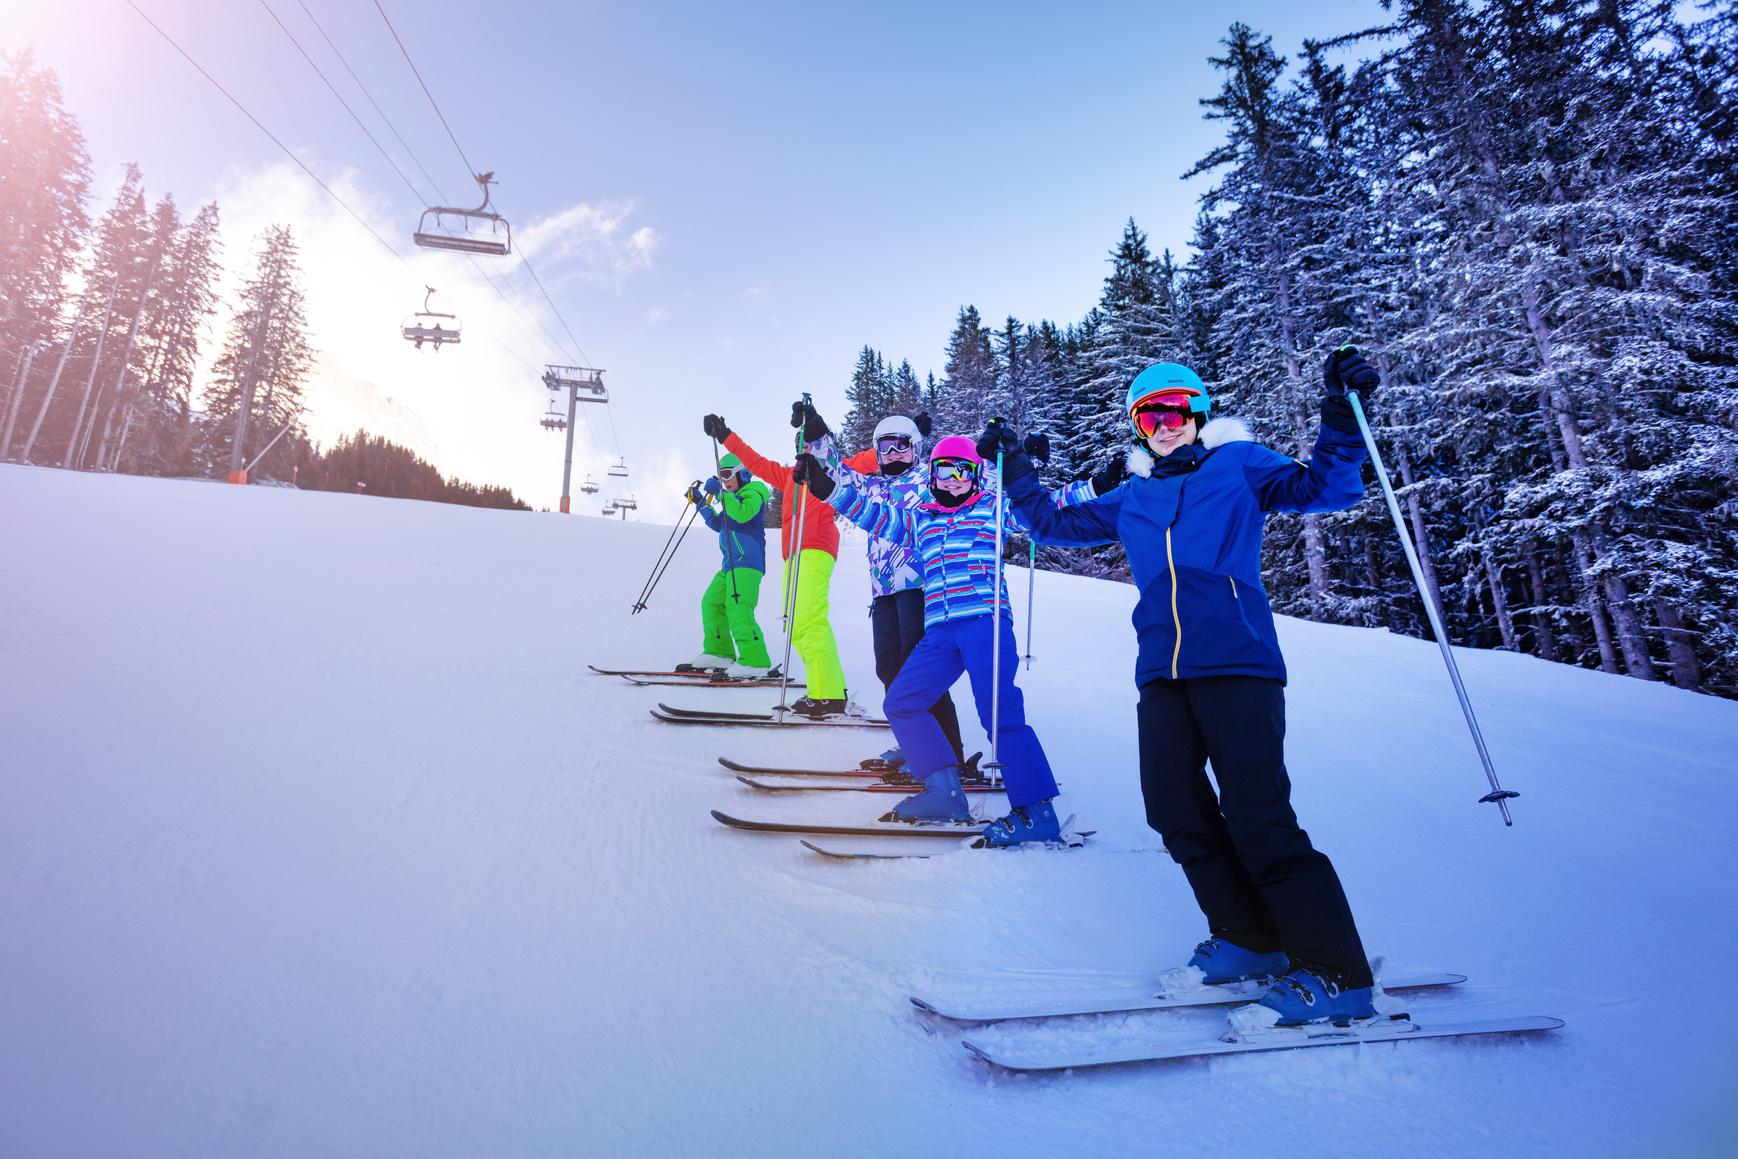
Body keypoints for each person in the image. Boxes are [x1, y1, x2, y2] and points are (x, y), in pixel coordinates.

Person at [997, 352, 1384, 1027]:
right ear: (1137, 426)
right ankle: (1249, 936)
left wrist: (1339, 412)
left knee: (1258, 815)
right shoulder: (1134, 496)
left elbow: (1326, 486)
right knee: (1173, 808)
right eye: (1150, 414)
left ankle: (1336, 971)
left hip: (1238, 662)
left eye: (1175, 411)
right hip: (1163, 673)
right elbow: (1053, 525)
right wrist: (1018, 472)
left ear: (1198, 414)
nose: (1164, 424)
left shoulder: (1238, 465)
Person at [794, 425, 1068, 846]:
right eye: (943, 472)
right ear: (932, 475)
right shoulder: (920, 520)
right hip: (940, 629)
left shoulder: (993, 508)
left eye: (961, 472)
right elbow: (872, 513)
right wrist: (827, 486)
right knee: (901, 702)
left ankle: (1037, 811)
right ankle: (944, 792)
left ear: (976, 476)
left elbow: (1050, 506)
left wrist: (1099, 484)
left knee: (998, 711)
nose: (951, 481)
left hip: (984, 621)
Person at [795, 404, 966, 774]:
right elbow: (837, 474)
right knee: (888, 667)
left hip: (921, 586)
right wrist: (816, 433)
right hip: (883, 592)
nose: (892, 454)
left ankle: (950, 755)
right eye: (884, 447)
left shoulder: (929, 479)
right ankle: (915, 743)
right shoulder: (872, 486)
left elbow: (965, 482)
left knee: (918, 669)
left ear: (916, 447)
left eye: (901, 445)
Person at [702, 413, 851, 718]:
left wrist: (907, 433)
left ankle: (830, 696)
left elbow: (870, 460)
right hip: (794, 554)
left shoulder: (834, 470)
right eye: (803, 445)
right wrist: (725, 434)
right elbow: (753, 461)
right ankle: (827, 688)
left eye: (813, 444)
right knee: (797, 625)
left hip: (816, 546)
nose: (807, 450)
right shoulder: (789, 476)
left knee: (809, 619)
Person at [680, 454, 774, 679]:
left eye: (727, 475)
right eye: (721, 478)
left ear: (742, 473)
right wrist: (701, 503)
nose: (724, 481)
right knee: (711, 603)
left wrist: (722, 495)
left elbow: (742, 514)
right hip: (729, 566)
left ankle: (755, 661)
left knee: (739, 607)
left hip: (747, 563)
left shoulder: (752, 494)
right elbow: (716, 523)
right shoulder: (732, 499)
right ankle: (719, 652)